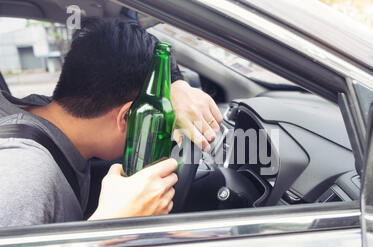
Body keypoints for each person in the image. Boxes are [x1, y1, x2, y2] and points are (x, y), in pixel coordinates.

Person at [0, 18, 223, 227]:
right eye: (155, 121)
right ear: (127, 116)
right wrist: (111, 219)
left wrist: (175, 85)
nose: (159, 132)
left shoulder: (47, 112)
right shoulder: (24, 172)